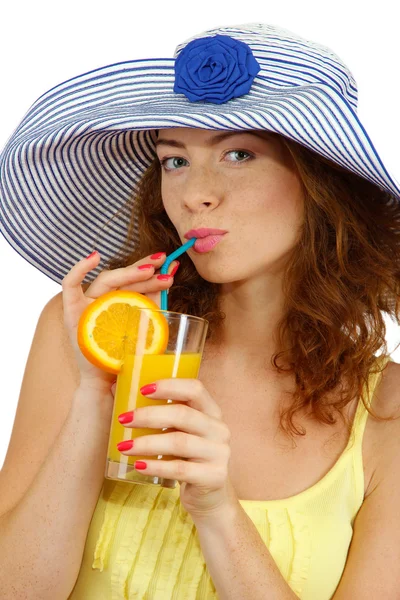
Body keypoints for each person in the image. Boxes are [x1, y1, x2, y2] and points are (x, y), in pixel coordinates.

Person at [0, 21, 400, 600]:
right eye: (175, 160)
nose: (194, 195)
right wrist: (93, 396)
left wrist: (216, 510)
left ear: (321, 184)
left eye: (239, 153)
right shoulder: (97, 333)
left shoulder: (386, 411)